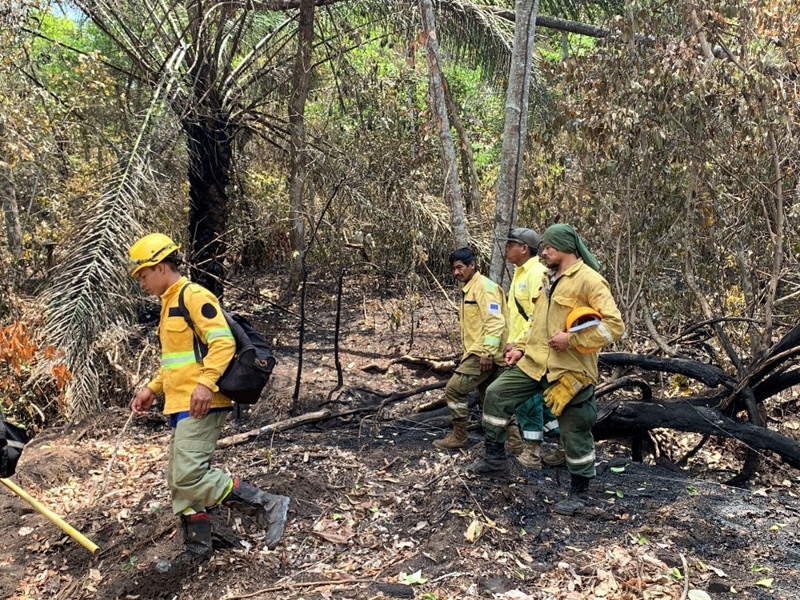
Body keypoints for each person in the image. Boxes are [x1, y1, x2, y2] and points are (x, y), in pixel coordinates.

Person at [128, 233, 290, 572]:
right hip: (180, 402)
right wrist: (152, 389)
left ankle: (266, 503)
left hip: (202, 401)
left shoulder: (193, 296)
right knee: (179, 480)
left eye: (143, 275)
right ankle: (198, 551)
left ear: (160, 267)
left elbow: (222, 343)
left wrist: (205, 384)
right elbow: (177, 361)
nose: (141, 282)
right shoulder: (168, 303)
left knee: (187, 476)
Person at [467, 224, 624, 516]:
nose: (545, 251)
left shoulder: (590, 281)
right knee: (496, 395)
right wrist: (520, 348)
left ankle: (579, 493)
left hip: (569, 369)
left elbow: (614, 326)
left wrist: (572, 339)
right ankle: (495, 461)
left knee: (575, 426)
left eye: (549, 247)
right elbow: (537, 323)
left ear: (565, 247)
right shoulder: (549, 278)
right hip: (535, 362)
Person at [496, 227, 559, 468]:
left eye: (510, 244)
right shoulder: (520, 273)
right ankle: (562, 444)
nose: (506, 248)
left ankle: (532, 454)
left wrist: (520, 343)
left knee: (527, 400)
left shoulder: (537, 274)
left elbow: (537, 316)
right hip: (521, 346)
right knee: (542, 403)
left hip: (531, 350)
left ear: (524, 248)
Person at [433, 247, 508, 450]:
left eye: (460, 267)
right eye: (454, 269)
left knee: (454, 389)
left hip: (483, 353)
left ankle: (459, 436)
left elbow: (495, 322)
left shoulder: (485, 288)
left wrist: (487, 353)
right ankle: (512, 443)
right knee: (492, 401)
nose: (456, 272)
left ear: (472, 265)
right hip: (481, 352)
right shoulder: (471, 289)